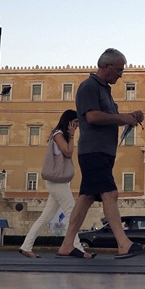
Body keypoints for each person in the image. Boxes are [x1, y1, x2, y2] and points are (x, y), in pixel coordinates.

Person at [57, 48, 145, 259]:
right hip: (94, 150)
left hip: (103, 151)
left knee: (86, 198)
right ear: (107, 67)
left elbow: (110, 118)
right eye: (118, 70)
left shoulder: (105, 90)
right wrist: (123, 118)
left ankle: (67, 244)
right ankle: (124, 243)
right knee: (110, 194)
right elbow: (93, 117)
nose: (120, 75)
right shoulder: (89, 86)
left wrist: (129, 117)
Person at [19, 110, 90, 258]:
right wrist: (71, 135)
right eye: (75, 122)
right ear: (69, 122)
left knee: (46, 217)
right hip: (57, 182)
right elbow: (68, 152)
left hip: (58, 182)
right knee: (72, 213)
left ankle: (26, 246)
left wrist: (70, 135)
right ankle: (77, 248)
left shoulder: (61, 134)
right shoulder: (58, 134)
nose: (77, 126)